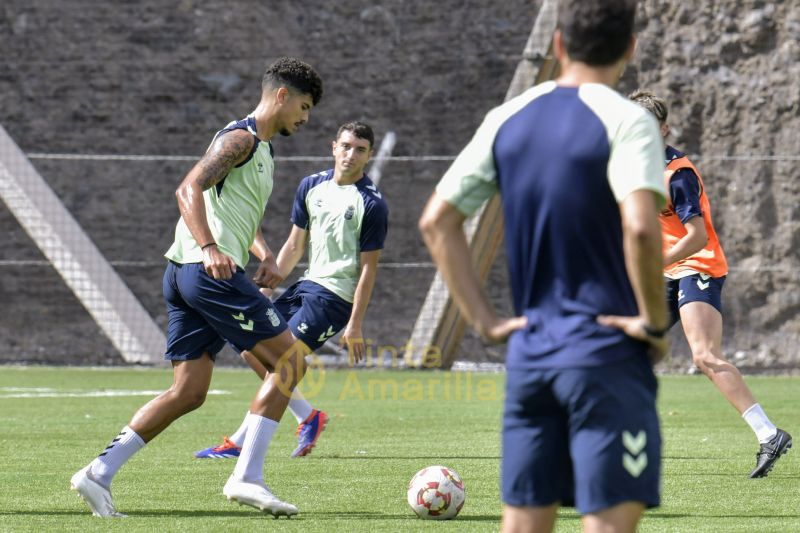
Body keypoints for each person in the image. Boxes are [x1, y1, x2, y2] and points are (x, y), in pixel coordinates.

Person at [419, 0, 670, 531]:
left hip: (532, 356)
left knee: (524, 522)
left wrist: (485, 322)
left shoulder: (509, 116)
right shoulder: (628, 120)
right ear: (631, 48)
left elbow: (436, 222)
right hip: (605, 353)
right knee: (606, 521)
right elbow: (643, 228)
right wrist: (652, 322)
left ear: (558, 45)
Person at [70, 56, 323, 518]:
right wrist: (209, 247)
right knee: (290, 363)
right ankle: (246, 478)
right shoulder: (241, 139)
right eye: (303, 107)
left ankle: (98, 473)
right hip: (209, 273)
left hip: (187, 273)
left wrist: (262, 254)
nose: (305, 119)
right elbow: (188, 188)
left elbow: (233, 210)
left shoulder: (262, 149)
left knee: (188, 391)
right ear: (281, 95)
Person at [194, 121, 388, 460]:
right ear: (333, 147)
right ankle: (307, 416)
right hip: (305, 286)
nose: (350, 154)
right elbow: (295, 245)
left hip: (334, 297)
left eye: (359, 149)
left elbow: (369, 268)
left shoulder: (371, 203)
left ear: (369, 156)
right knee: (251, 350)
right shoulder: (311, 185)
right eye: (345, 146)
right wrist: (270, 282)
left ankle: (242, 442)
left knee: (283, 360)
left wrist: (356, 324)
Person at [629, 90, 792, 478]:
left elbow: (697, 235)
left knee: (703, 355)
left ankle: (769, 434)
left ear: (664, 129)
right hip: (667, 270)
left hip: (696, 265)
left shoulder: (677, 174)